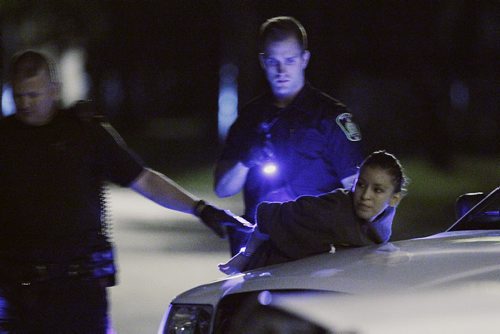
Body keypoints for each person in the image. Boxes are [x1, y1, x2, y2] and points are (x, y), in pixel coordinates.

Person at [0, 49, 250, 333]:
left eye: (33, 95)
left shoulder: (85, 133)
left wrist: (199, 208)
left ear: (54, 90)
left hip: (79, 292)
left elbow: (143, 179)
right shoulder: (5, 138)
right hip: (20, 293)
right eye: (19, 96)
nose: (25, 104)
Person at [214, 16, 365, 256]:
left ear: (305, 59)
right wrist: (246, 159)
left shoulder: (330, 117)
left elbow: (358, 191)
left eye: (290, 60)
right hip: (258, 251)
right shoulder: (250, 117)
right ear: (263, 61)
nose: (281, 70)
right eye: (273, 61)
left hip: (314, 252)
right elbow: (222, 188)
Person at [218, 150, 409, 275]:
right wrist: (245, 256)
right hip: (268, 273)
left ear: (394, 199)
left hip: (312, 282)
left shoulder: (383, 222)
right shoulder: (329, 210)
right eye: (360, 185)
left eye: (377, 190)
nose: (365, 196)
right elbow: (268, 214)